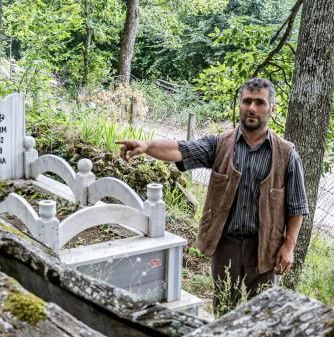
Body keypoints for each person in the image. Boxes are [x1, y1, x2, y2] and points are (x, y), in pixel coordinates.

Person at [117, 77, 308, 308]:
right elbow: (180, 149)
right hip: (225, 245)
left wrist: (288, 246)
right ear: (240, 105)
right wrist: (146, 146)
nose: (252, 108)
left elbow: (296, 207)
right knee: (225, 309)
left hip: (265, 248)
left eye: (259, 102)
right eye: (247, 101)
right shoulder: (219, 145)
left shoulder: (287, 154)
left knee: (264, 316)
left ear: (272, 109)